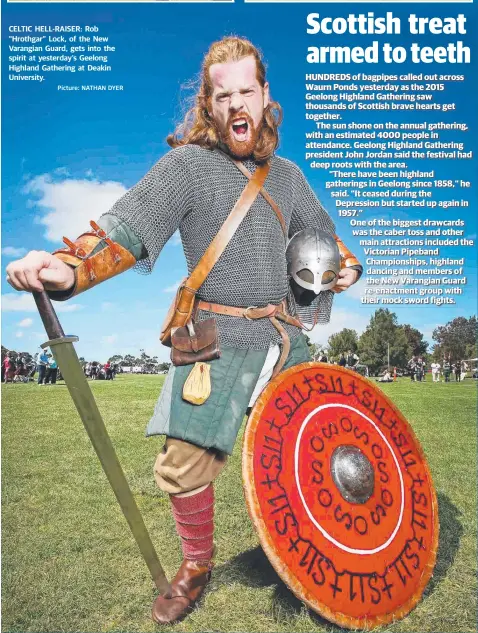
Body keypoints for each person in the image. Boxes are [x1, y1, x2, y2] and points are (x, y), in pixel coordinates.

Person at [5, 37, 362, 624]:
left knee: (314, 453)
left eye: (248, 90)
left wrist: (342, 267)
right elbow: (128, 227)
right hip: (215, 340)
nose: (238, 103)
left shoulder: (290, 178)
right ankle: (196, 564)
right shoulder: (189, 168)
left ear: (265, 94)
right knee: (185, 461)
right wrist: (66, 268)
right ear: (210, 104)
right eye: (225, 96)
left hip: (284, 336)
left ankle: (316, 549)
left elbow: (324, 240)